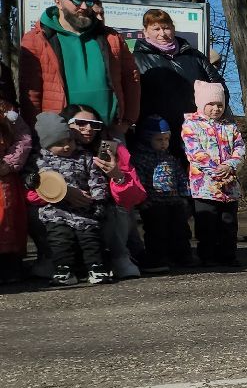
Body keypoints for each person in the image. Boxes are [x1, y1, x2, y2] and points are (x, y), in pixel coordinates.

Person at [17, 0, 141, 137]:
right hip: (61, 137)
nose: (84, 7)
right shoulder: (36, 39)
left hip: (109, 132)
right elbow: (30, 91)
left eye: (88, 1)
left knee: (112, 164)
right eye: (76, 1)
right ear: (58, 2)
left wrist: (126, 122)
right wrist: (39, 130)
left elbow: (131, 78)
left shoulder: (111, 37)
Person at [64, 104, 146, 278]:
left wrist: (117, 176)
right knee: (39, 211)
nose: (88, 129)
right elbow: (33, 193)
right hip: (65, 210)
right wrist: (63, 192)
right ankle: (55, 260)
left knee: (120, 208)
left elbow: (135, 196)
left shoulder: (110, 148)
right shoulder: (52, 149)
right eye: (81, 123)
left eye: (94, 125)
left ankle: (120, 257)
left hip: (101, 210)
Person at [30, 113, 112, 286]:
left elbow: (96, 179)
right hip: (55, 212)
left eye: (70, 141)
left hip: (85, 209)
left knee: (90, 239)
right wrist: (31, 180)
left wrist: (99, 201)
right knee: (60, 241)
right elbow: (39, 184)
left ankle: (96, 267)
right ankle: (63, 269)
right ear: (46, 144)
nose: (67, 147)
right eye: (59, 144)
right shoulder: (40, 161)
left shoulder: (85, 157)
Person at [130, 8, 219, 152]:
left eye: (166, 28)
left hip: (196, 132)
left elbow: (218, 86)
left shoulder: (194, 56)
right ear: (145, 31)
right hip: (157, 134)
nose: (162, 33)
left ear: (173, 28)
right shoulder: (136, 59)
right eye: (156, 29)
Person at [181, 82, 244, 266]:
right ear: (201, 104)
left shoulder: (230, 126)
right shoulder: (191, 125)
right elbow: (195, 153)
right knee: (207, 222)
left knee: (228, 222)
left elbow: (239, 149)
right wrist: (216, 171)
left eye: (220, 105)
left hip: (229, 183)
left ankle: (228, 255)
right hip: (204, 185)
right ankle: (207, 255)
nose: (216, 109)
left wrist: (230, 166)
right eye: (211, 105)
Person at [130, 115, 193, 272]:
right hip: (154, 203)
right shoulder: (141, 159)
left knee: (180, 229)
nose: (164, 143)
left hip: (174, 201)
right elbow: (140, 180)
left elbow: (180, 176)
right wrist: (142, 200)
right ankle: (157, 258)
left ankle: (182, 256)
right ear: (147, 139)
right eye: (159, 139)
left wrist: (185, 195)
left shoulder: (170, 158)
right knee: (157, 232)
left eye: (166, 139)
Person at [0, 64, 31, 283]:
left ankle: (10, 264)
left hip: (4, 175)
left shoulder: (8, 112)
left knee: (8, 217)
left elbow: (23, 138)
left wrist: (10, 163)